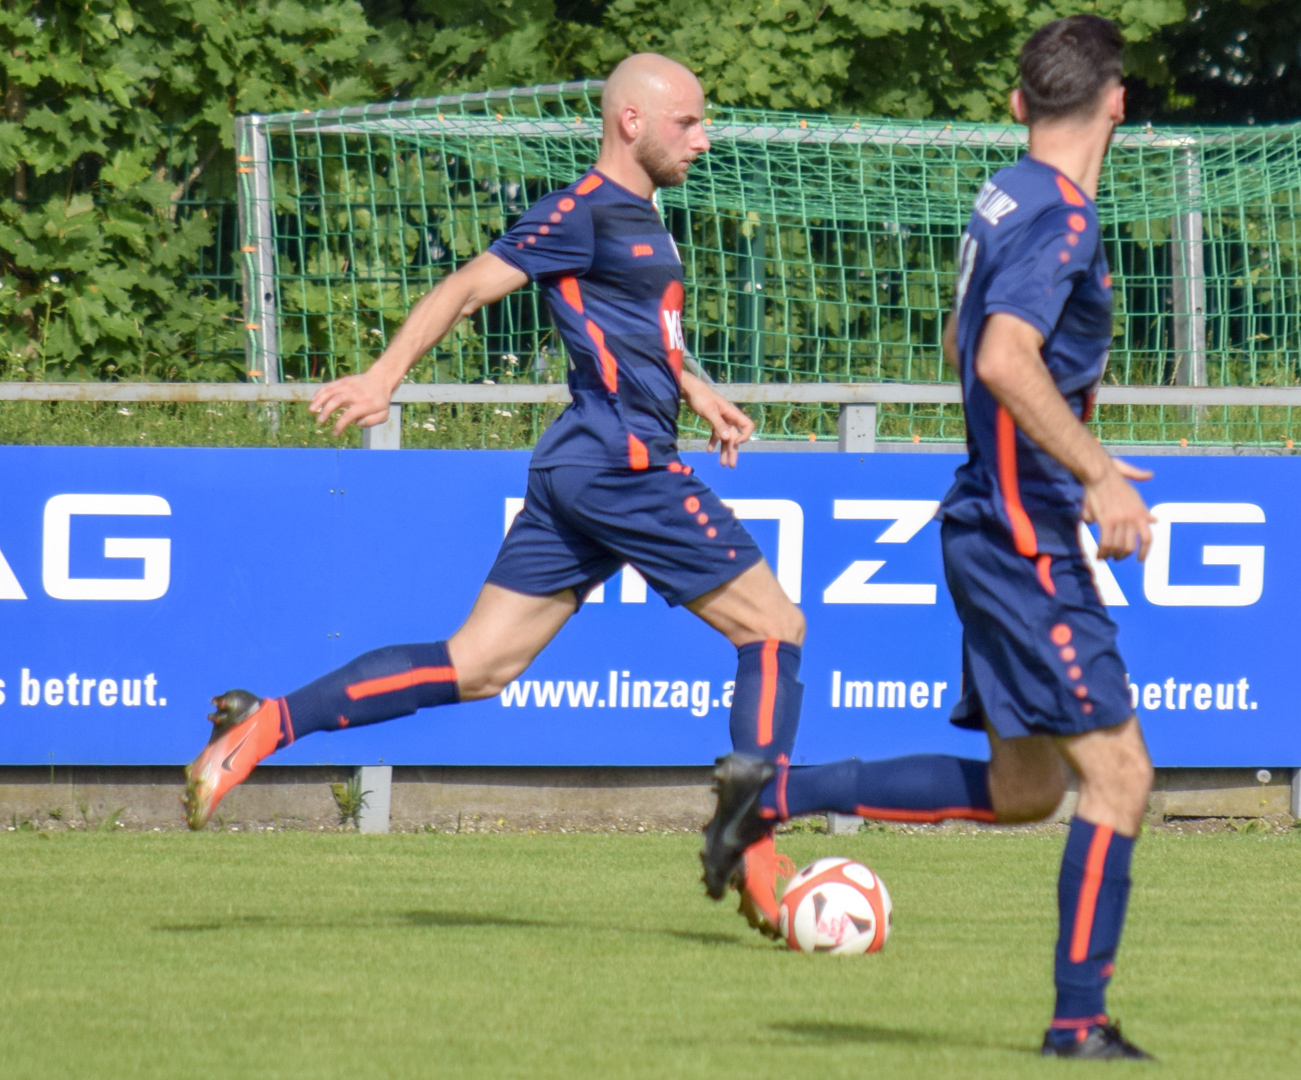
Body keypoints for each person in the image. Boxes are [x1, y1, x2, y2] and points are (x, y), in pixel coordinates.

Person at [185, 53, 806, 939]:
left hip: (579, 469)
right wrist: (385, 377)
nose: (702, 140)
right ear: (631, 121)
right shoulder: (581, 210)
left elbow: (636, 334)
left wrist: (695, 391)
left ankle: (266, 725)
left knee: (478, 664)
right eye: (688, 122)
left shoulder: (644, 220)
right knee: (775, 628)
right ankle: (755, 844)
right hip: (622, 467)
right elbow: (468, 285)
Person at [700, 16, 1158, 1058]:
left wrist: (1047, 442)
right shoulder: (1064, 215)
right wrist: (1092, 470)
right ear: (1118, 102)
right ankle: (1078, 1025)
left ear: (1019, 104)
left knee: (1027, 790)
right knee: (1120, 776)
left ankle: (772, 794)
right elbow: (999, 357)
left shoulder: (1005, 196)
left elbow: (962, 339)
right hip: (1025, 539)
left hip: (988, 518)